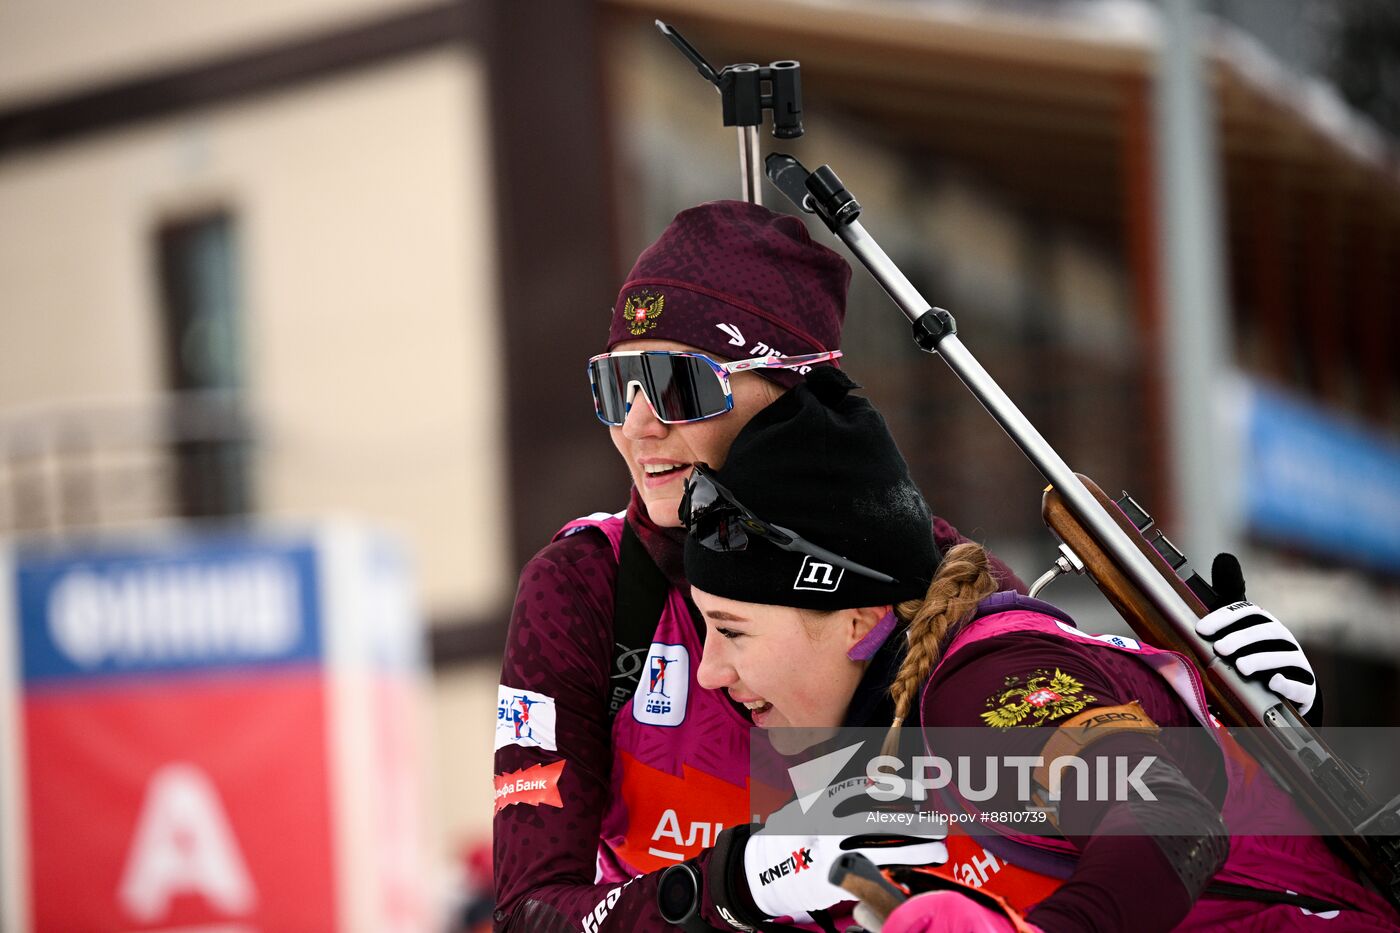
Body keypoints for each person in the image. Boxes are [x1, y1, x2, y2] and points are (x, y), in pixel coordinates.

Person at [667, 367, 1396, 931]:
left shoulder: (981, 690)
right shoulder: (870, 743)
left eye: (733, 630)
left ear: (858, 622)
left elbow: (1166, 816)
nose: (710, 670)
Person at [492, 201, 1028, 933]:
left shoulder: (923, 573)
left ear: (792, 388)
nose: (640, 425)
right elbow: (530, 912)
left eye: (678, 383)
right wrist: (730, 883)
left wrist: (1200, 690)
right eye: (618, 387)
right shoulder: (586, 586)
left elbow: (1129, 813)